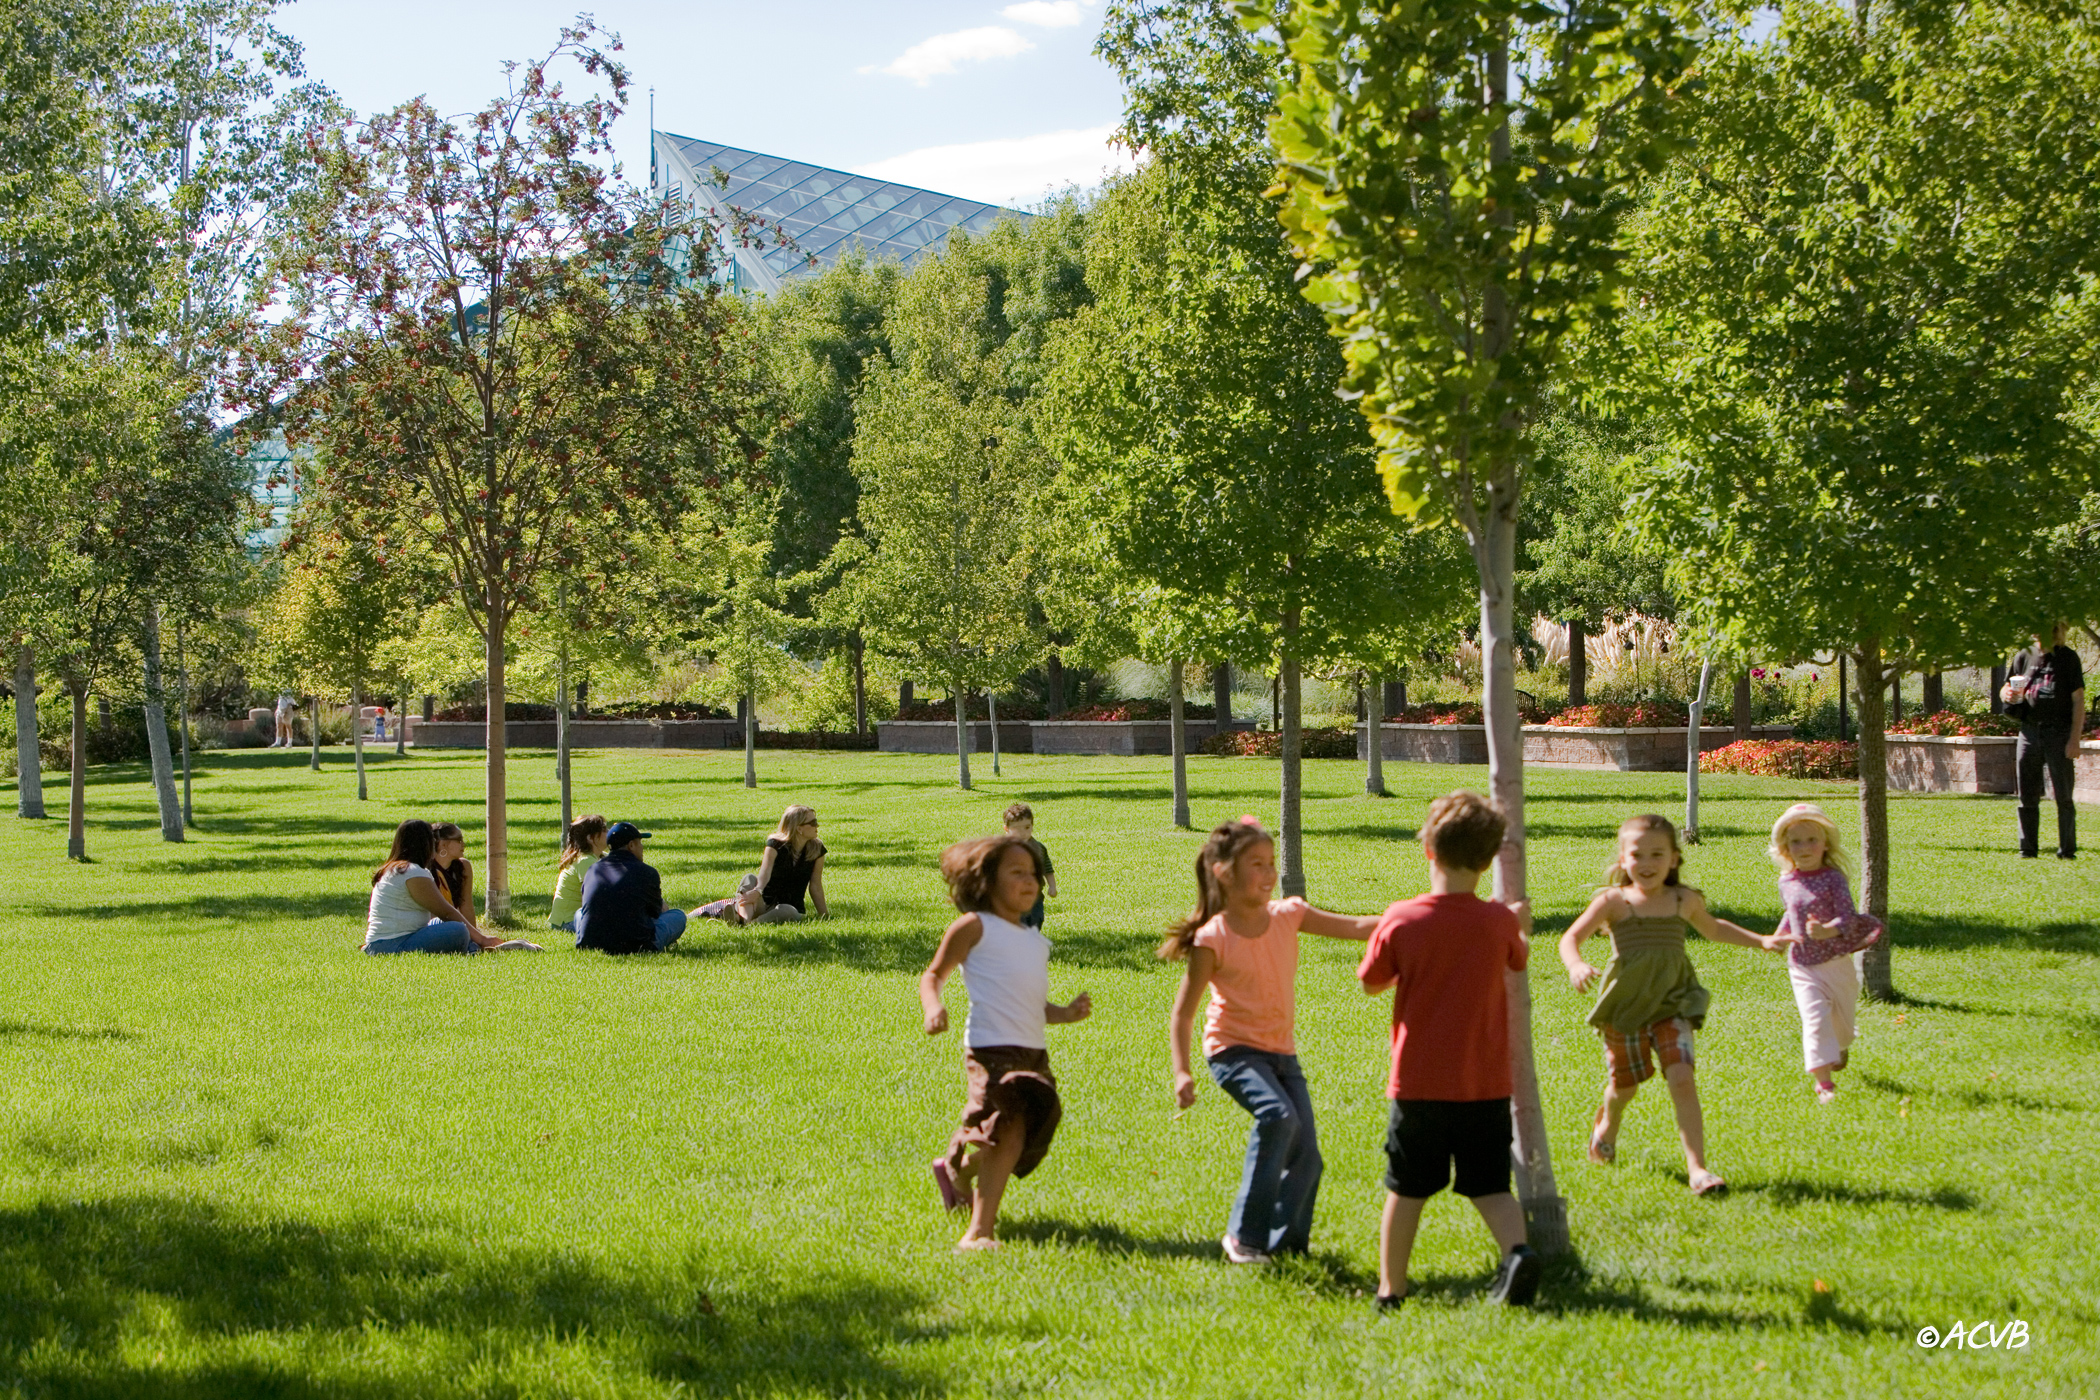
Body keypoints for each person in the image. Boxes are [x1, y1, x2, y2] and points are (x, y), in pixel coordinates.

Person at [1161, 816, 1376, 1264]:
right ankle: (1245, 1237)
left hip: (1281, 1053)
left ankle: (1285, 1250)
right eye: (1257, 864)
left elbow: (1356, 926)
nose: (1270, 873)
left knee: (1308, 1158)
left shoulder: (1288, 915)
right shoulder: (1212, 937)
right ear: (1224, 872)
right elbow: (1182, 1014)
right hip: (1232, 1052)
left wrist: (1416, 915)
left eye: (1271, 862)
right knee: (1279, 1117)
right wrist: (1182, 1071)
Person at [1357, 791, 1538, 1309]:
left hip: (1419, 1084)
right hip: (1485, 1084)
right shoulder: (1498, 922)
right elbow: (1518, 961)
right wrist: (1519, 926)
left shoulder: (1402, 918)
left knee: (1406, 1188)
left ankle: (1391, 1289)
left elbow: (1371, 983)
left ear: (1428, 850)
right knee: (1490, 1185)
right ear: (1486, 861)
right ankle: (1519, 1253)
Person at [1557, 813, 1796, 1197]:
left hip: (1674, 1002)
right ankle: (1608, 1125)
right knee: (1624, 1086)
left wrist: (1762, 940)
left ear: (1673, 859)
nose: (1647, 863)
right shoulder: (1612, 902)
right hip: (1626, 1008)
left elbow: (1715, 928)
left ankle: (1698, 1169)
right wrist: (1576, 964)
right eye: (1637, 854)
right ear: (1622, 859)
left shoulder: (1682, 899)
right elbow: (1570, 938)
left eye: (1657, 854)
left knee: (1682, 1079)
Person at [919, 834, 1092, 1251]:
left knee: (1026, 1131)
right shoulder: (974, 926)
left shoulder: (1034, 939)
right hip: (991, 1047)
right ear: (988, 881)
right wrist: (933, 1007)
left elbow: (1032, 1004)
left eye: (1033, 873)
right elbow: (933, 975)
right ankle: (979, 1231)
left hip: (1033, 1050)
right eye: (1017, 872)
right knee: (1007, 1132)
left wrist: (1064, 1013)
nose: (1030, 880)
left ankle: (958, 1166)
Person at [1769, 803, 1883, 1105]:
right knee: (1815, 1019)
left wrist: (1828, 930)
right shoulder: (1787, 881)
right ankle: (1824, 1085)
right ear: (1785, 847)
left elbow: (1848, 918)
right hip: (1803, 964)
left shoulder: (1833, 878)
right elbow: (1790, 913)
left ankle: (1841, 1045)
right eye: (1796, 841)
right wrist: (1780, 936)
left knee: (1842, 1025)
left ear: (1825, 844)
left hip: (1836, 962)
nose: (1804, 847)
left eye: (1811, 840)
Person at [364, 820, 537, 954]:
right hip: (393, 944)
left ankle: (477, 948)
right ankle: (478, 949)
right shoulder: (413, 873)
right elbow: (446, 911)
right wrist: (483, 939)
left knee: (443, 924)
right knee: (457, 929)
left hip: (388, 941)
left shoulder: (396, 869)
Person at [2003, 622, 2086, 859]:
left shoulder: (2067, 658)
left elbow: (2078, 700)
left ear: (2055, 630)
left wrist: (2074, 739)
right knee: (2026, 795)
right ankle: (2027, 849)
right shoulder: (2024, 655)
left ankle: (2067, 851)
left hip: (2058, 733)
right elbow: (2007, 686)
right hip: (2028, 732)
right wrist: (2005, 693)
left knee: (2064, 796)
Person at [576, 821, 687, 953]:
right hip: (636, 944)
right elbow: (655, 912)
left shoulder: (593, 869)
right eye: (640, 842)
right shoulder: (647, 872)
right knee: (678, 916)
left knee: (579, 913)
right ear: (631, 845)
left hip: (591, 943)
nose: (642, 847)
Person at [750, 805, 828, 923]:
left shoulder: (817, 849)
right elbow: (764, 873)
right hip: (763, 903)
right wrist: (757, 891)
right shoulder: (775, 845)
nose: (817, 826)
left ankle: (749, 923)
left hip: (790, 909)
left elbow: (815, 885)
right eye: (813, 822)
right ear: (799, 828)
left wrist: (825, 915)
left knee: (788, 911)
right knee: (749, 879)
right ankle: (744, 918)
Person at [549, 814, 609, 934]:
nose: (608, 832)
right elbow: (595, 896)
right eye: (603, 830)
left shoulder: (598, 856)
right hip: (567, 922)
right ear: (591, 838)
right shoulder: (585, 861)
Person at [1003, 802, 1057, 929]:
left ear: (1032, 826)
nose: (1023, 833)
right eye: (1017, 829)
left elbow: (1047, 869)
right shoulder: (1003, 850)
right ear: (1006, 829)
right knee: (1016, 925)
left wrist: (1052, 886)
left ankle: (1031, 943)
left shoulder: (1038, 848)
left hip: (1035, 896)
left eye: (1027, 827)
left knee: (1036, 921)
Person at [429, 822, 483, 941]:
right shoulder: (426, 870)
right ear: (443, 844)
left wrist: (476, 938)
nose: (463, 844)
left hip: (454, 924)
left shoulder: (463, 867)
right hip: (432, 926)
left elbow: (466, 905)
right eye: (459, 840)